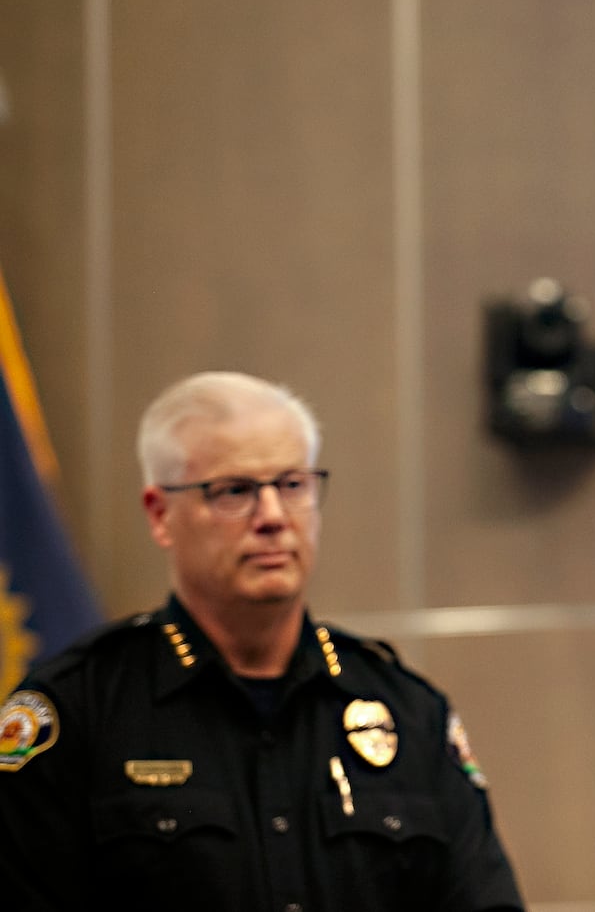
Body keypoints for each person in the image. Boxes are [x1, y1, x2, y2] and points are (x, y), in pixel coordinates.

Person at [0, 371, 524, 911]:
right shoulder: (76, 711)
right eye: (234, 491)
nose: (273, 517)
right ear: (160, 515)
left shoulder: (409, 711)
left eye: (292, 485)